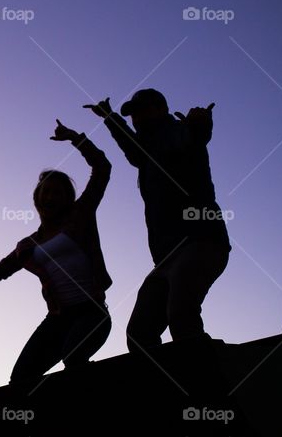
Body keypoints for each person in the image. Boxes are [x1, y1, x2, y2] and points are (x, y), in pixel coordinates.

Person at [0, 120, 112, 384]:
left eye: (57, 193)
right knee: (20, 380)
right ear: (38, 198)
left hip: (92, 313)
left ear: (68, 198)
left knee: (73, 357)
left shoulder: (80, 215)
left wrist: (76, 138)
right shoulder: (28, 245)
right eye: (46, 192)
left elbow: (102, 168)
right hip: (58, 318)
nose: (50, 197)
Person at [84, 89, 230, 354]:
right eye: (134, 115)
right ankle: (164, 386)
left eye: (142, 111)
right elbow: (133, 149)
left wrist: (199, 124)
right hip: (166, 259)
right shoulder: (146, 154)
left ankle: (208, 383)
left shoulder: (176, 133)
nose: (137, 119)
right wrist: (109, 117)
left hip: (202, 241)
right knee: (140, 333)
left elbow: (193, 139)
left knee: (181, 315)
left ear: (161, 109)